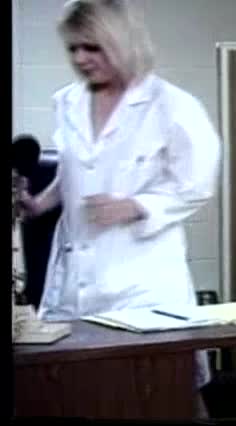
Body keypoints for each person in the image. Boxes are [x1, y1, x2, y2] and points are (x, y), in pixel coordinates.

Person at [17, 0, 221, 417]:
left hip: (141, 284)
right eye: (73, 48)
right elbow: (71, 174)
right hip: (73, 282)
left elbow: (197, 185)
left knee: (157, 396)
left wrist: (135, 206)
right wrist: (37, 204)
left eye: (92, 47)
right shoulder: (67, 102)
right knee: (72, 397)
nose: (80, 59)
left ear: (122, 42)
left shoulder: (172, 106)